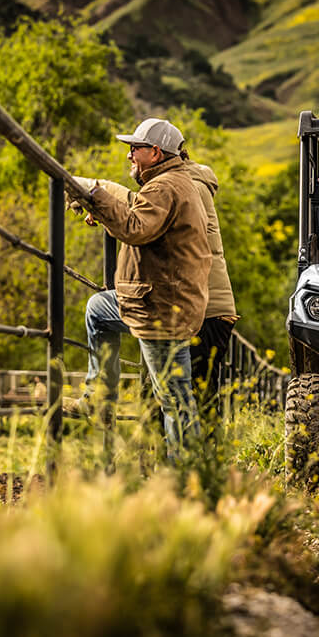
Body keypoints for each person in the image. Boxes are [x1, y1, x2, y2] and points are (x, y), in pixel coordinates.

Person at [71, 118, 211, 451]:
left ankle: (188, 474)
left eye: (135, 148)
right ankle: (98, 397)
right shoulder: (172, 183)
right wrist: (103, 211)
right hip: (158, 300)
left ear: (155, 152)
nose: (129, 155)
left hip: (161, 309)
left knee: (174, 401)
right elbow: (145, 225)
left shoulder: (164, 187)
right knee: (98, 309)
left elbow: (135, 228)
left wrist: (95, 195)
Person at [180, 150, 238, 405]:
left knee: (199, 396)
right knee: (200, 393)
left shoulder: (189, 187)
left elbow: (147, 221)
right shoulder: (194, 184)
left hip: (206, 310)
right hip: (210, 308)